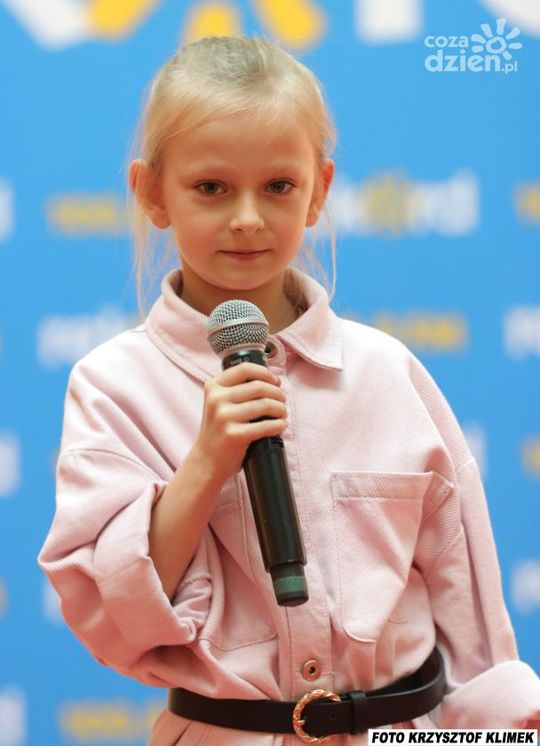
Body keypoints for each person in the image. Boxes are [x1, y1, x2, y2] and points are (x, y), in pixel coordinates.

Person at [39, 36, 540, 745]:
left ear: (319, 191)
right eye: (211, 187)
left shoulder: (386, 371)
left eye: (278, 186)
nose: (247, 217)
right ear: (152, 192)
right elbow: (111, 620)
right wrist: (206, 464)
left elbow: (472, 620)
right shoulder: (113, 385)